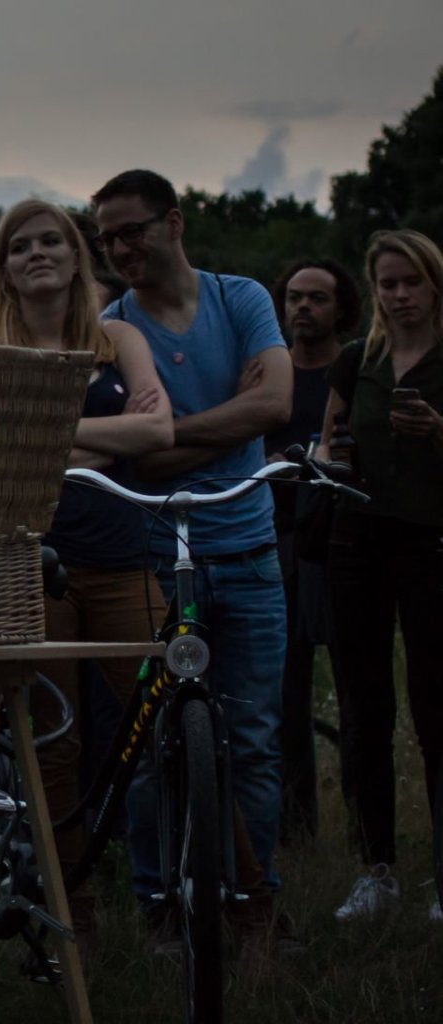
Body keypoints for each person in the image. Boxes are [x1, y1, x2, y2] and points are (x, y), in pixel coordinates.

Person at [93, 169, 296, 962]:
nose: (118, 249)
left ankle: (257, 904)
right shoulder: (111, 326)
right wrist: (217, 428)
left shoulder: (238, 296)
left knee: (250, 735)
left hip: (244, 547)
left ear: (173, 222)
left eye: (130, 230)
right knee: (151, 744)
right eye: (105, 238)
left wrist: (172, 434)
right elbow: (132, 460)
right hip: (155, 552)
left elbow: (275, 406)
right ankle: (159, 905)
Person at [0, 199, 174, 944]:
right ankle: (72, 915)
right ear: (3, 267)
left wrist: (43, 435)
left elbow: (157, 431)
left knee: (165, 729)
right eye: (19, 245)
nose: (36, 253)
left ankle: (225, 899)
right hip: (32, 565)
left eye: (50, 240)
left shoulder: (116, 336)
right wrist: (103, 437)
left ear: (74, 256)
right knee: (52, 748)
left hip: (125, 557)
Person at [317, 229, 443, 924]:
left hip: (431, 542)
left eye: (410, 283)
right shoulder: (354, 361)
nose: (397, 296)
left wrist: (435, 431)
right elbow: (328, 443)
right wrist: (321, 459)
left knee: (436, 712)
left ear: (433, 286)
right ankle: (376, 870)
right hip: (355, 542)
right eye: (386, 283)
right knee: (364, 712)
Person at [264, 258, 363, 843]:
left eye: (317, 298)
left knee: (356, 692)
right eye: (295, 297)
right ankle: (296, 833)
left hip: (341, 544)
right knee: (283, 696)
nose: (303, 308)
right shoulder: (269, 375)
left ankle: (363, 832)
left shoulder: (353, 373)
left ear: (340, 308)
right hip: (276, 543)